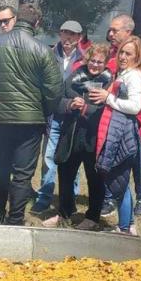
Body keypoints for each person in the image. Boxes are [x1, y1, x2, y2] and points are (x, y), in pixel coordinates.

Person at [0, 3, 62, 225]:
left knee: (1, 168)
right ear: (37, 23)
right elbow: (54, 90)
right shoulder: (42, 50)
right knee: (22, 174)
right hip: (31, 122)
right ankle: (15, 219)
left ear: (15, 19)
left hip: (2, 119)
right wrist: (44, 110)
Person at [41, 43, 112, 230]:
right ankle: (64, 213)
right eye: (92, 61)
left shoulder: (109, 81)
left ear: (105, 63)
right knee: (65, 174)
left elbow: (108, 109)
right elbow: (58, 101)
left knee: (95, 178)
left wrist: (87, 108)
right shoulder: (75, 76)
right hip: (71, 135)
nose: (95, 65)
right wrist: (71, 104)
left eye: (100, 62)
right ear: (87, 60)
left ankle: (93, 217)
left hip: (94, 137)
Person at [102, 14, 141, 218]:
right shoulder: (110, 54)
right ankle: (109, 197)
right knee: (113, 155)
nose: (110, 34)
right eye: (109, 30)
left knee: (138, 158)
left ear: (128, 32)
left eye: (115, 30)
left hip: (134, 116)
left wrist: (132, 94)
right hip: (112, 115)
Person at [91, 37, 141, 235]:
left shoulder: (135, 77)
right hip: (117, 130)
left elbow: (134, 107)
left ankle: (125, 227)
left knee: (119, 181)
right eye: (121, 52)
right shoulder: (124, 74)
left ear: (137, 57)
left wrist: (109, 98)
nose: (122, 57)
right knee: (120, 181)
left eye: (128, 54)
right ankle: (127, 225)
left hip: (124, 134)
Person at [32, 20, 86, 214]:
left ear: (79, 37)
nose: (68, 38)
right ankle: (44, 196)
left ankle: (69, 198)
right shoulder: (49, 55)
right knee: (48, 157)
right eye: (65, 33)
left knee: (72, 158)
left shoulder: (85, 59)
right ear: (60, 34)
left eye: (72, 35)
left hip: (74, 117)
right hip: (53, 115)